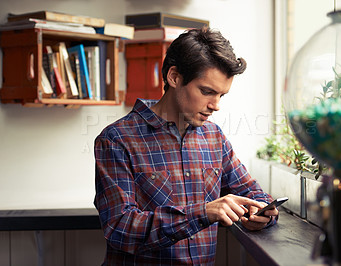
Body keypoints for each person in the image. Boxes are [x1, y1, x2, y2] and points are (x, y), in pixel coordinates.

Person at [94, 27, 279, 265]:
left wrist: (262, 212)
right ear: (174, 77)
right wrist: (203, 212)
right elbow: (121, 228)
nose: (215, 105)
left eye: (222, 95)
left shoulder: (214, 137)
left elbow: (253, 193)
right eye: (207, 91)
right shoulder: (116, 140)